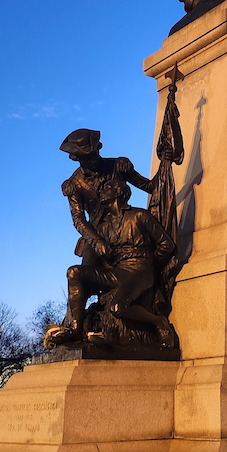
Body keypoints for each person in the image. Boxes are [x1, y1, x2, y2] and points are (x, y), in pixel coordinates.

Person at [50, 177, 177, 346]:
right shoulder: (103, 227)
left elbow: (166, 245)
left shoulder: (139, 216)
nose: (101, 191)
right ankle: (76, 329)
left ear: (119, 192)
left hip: (140, 270)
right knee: (74, 272)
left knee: (117, 308)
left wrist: (150, 265)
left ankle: (158, 322)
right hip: (117, 272)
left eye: (107, 187)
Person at [59, 128, 155, 265]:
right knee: (85, 272)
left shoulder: (117, 166)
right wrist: (96, 241)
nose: (92, 160)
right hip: (98, 232)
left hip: (126, 225)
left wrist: (165, 161)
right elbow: (78, 219)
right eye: (86, 158)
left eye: (94, 154)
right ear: (76, 158)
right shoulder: (75, 184)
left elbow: (149, 186)